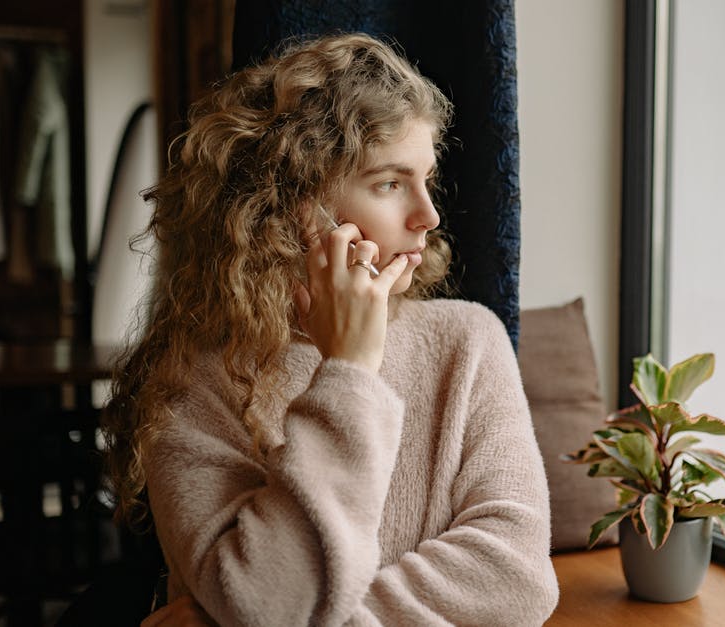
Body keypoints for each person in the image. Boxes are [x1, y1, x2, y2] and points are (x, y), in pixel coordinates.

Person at [101, 33, 559, 626]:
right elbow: (264, 602)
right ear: (291, 201)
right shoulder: (191, 380)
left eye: (426, 178)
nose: (429, 215)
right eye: (390, 183)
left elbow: (519, 579)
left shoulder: (469, 340)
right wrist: (349, 372)